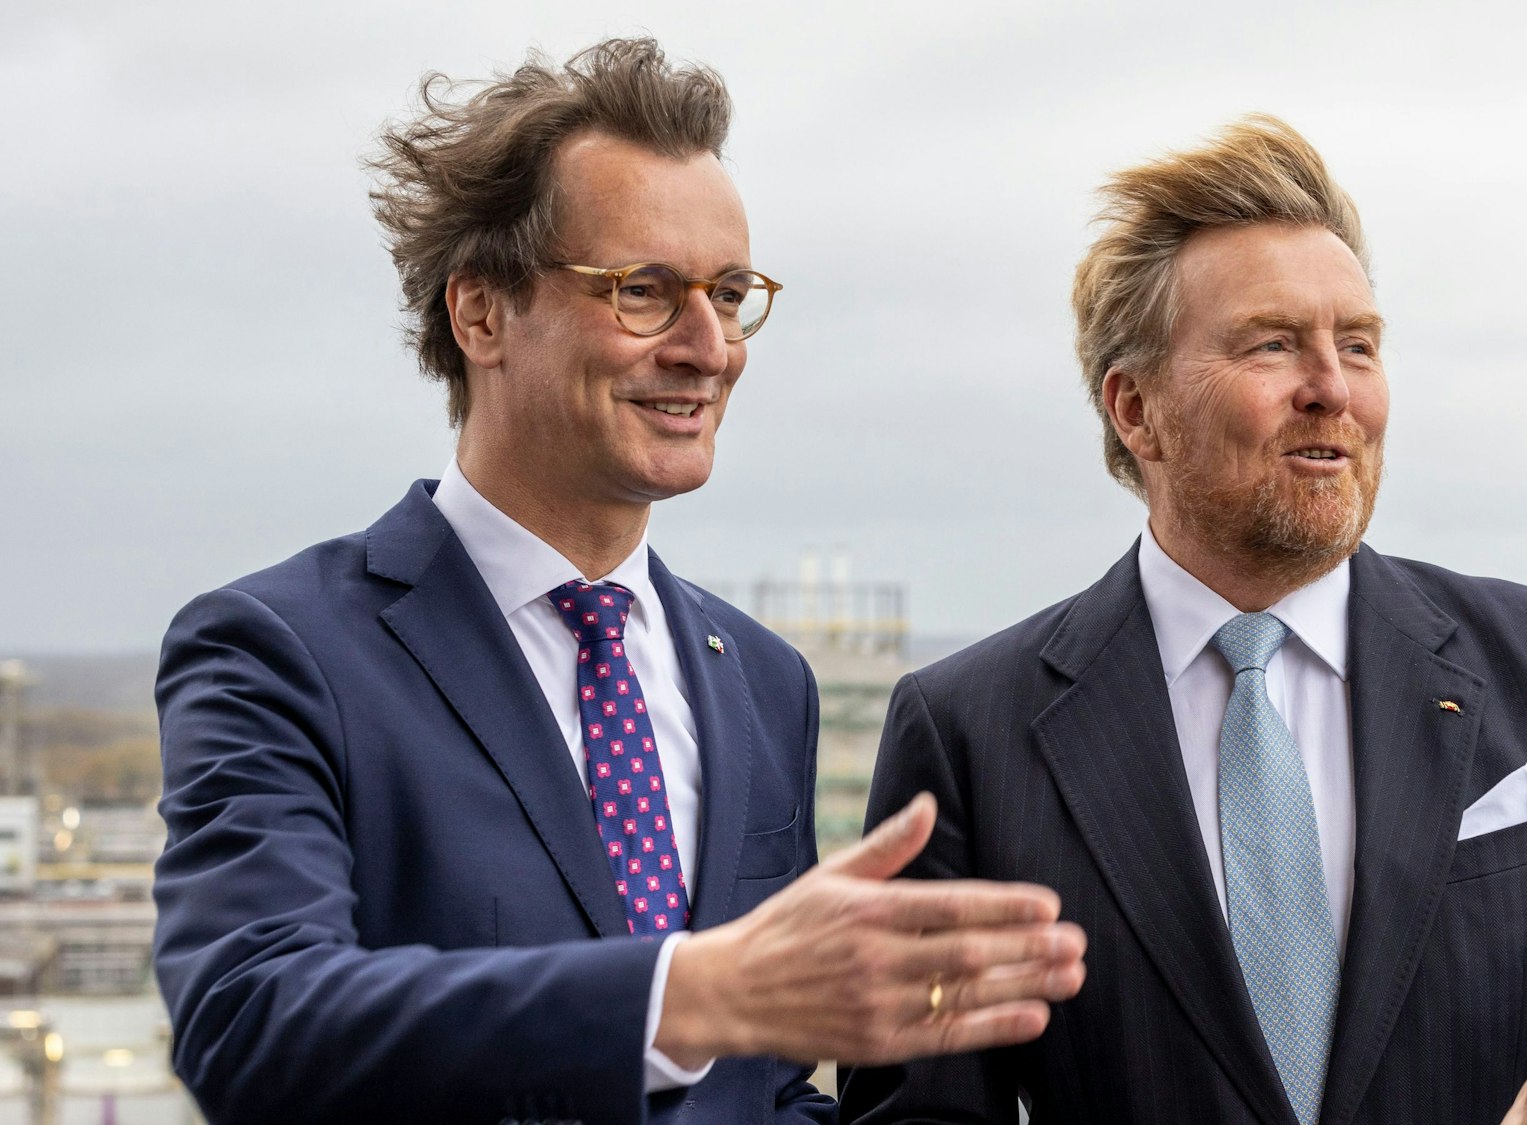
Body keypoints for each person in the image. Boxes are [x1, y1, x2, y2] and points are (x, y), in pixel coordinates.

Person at [840, 115, 1527, 1125]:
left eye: (1357, 345)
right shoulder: (972, 729)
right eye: (1272, 345)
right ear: (1136, 409)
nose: (1333, 389)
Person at [150, 39, 1084, 1125]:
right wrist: (692, 994)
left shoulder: (764, 679)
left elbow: (765, 1091)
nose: (709, 347)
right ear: (480, 314)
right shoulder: (280, 649)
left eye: (729, 293)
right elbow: (251, 1020)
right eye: (644, 290)